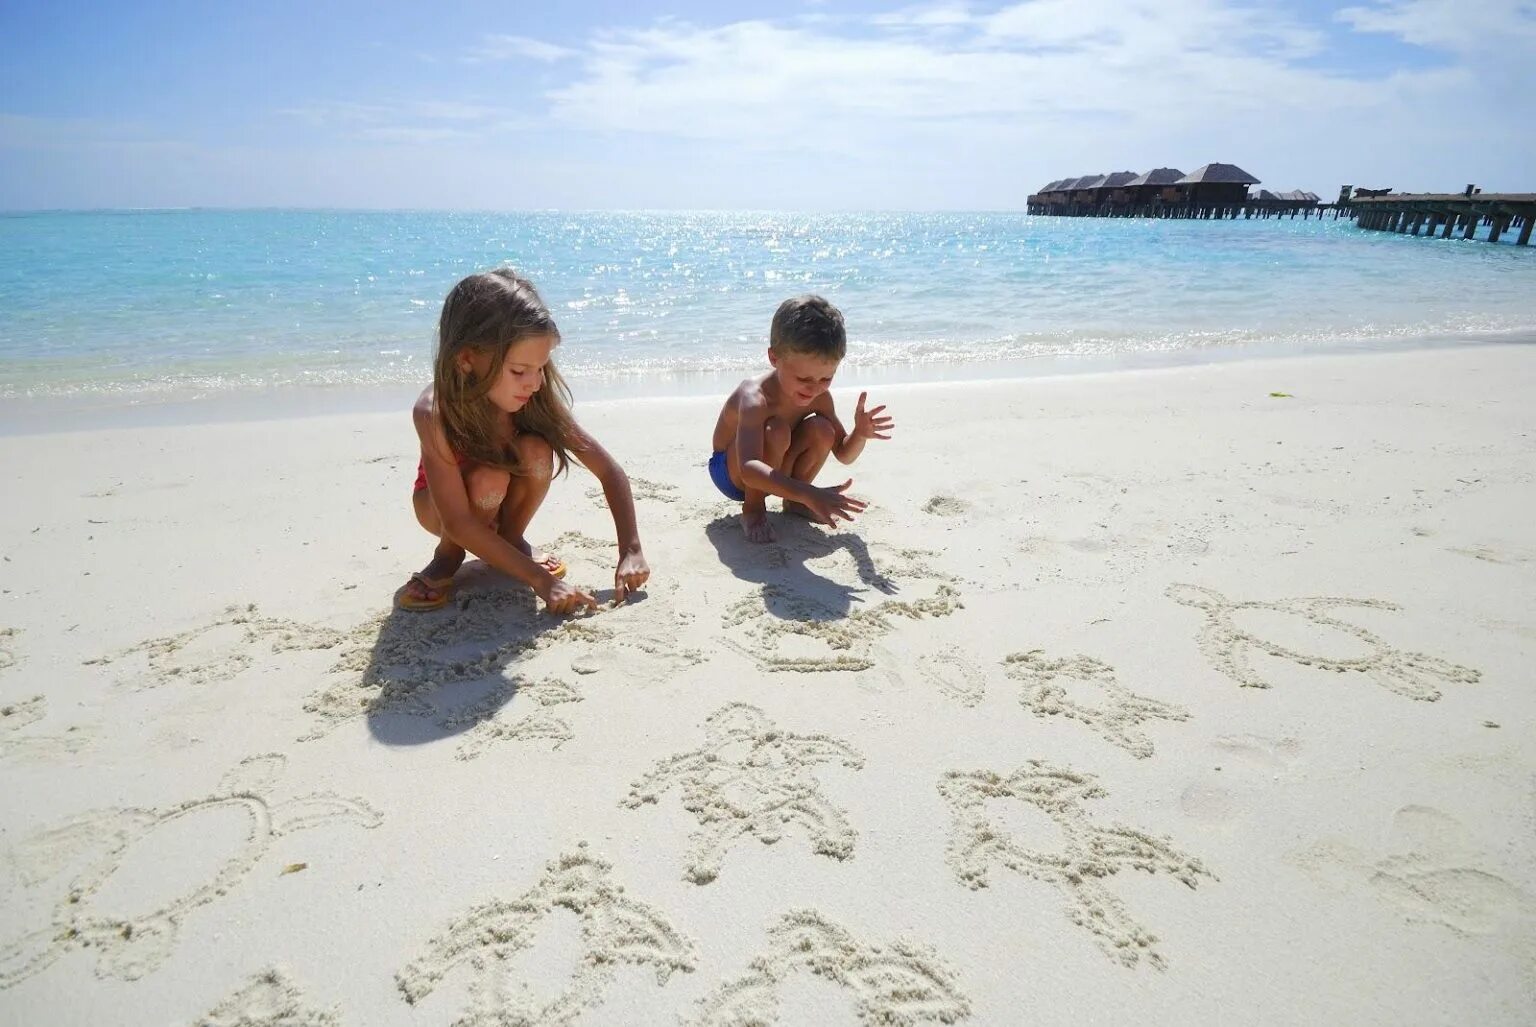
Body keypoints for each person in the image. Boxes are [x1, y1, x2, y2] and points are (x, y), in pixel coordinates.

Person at [398, 269, 649, 613]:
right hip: (441, 511)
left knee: (536, 450)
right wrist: (542, 580)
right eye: (519, 371)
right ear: (467, 359)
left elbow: (608, 469)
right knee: (489, 477)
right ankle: (448, 554)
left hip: (499, 501)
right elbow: (457, 520)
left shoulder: (534, 395)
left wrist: (630, 549)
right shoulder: (434, 412)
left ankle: (510, 539)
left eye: (540, 368)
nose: (533, 383)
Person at [709, 294, 894, 543]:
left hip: (772, 465)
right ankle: (753, 510)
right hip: (732, 473)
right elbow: (749, 469)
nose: (814, 388)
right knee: (776, 430)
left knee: (823, 430)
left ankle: (794, 503)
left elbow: (844, 454)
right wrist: (810, 493)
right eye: (804, 379)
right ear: (774, 358)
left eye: (825, 379)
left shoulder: (820, 397)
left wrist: (860, 434)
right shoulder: (755, 398)